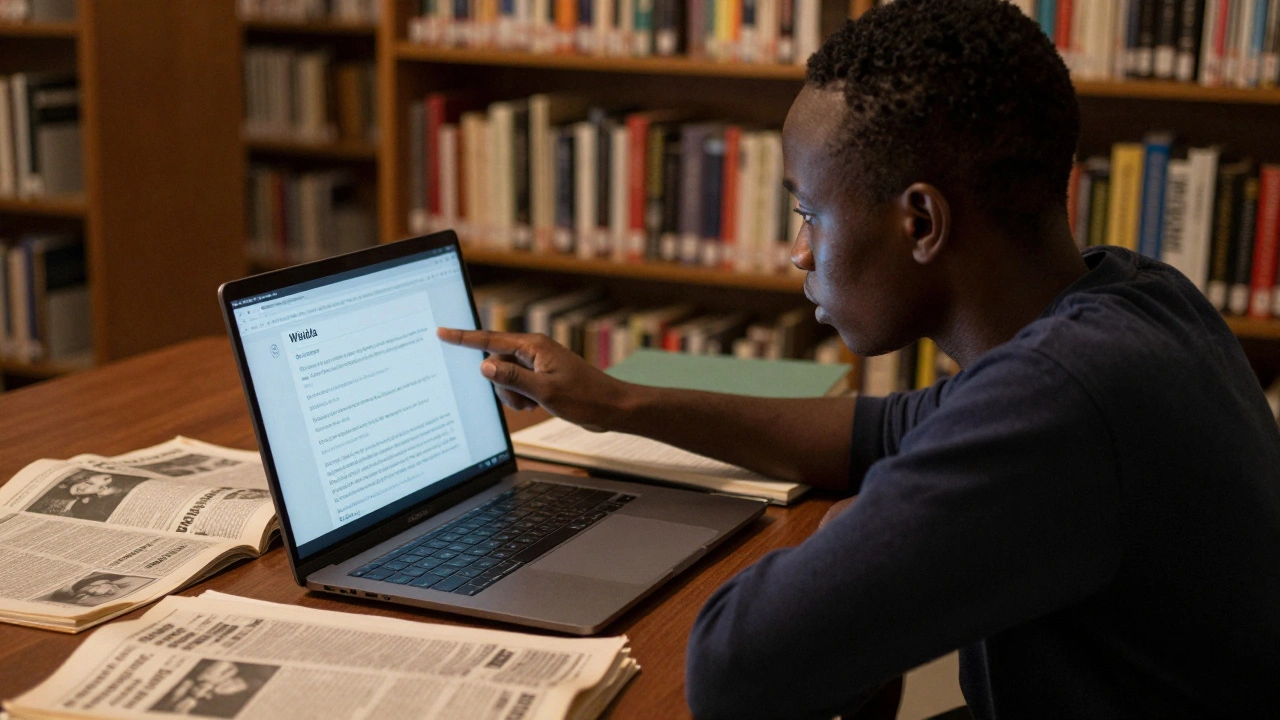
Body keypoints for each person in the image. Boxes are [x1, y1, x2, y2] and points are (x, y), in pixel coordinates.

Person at [438, 0, 1280, 716]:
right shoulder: (1135, 296)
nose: (797, 254)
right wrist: (616, 403)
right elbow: (879, 429)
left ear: (920, 223)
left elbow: (735, 668)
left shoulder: (1059, 400)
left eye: (809, 213)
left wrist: (847, 539)